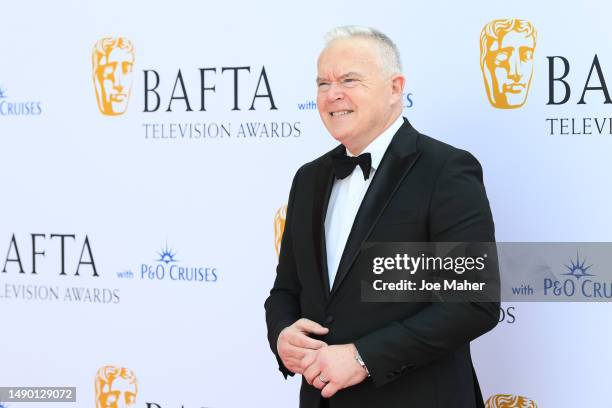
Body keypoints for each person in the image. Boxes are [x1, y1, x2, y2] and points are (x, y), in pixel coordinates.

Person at [265, 25, 499, 408]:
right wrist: (281, 334)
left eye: (349, 79)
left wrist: (362, 357)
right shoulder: (308, 179)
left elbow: (473, 303)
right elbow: (286, 290)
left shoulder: (446, 170)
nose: (332, 94)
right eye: (322, 83)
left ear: (395, 88)